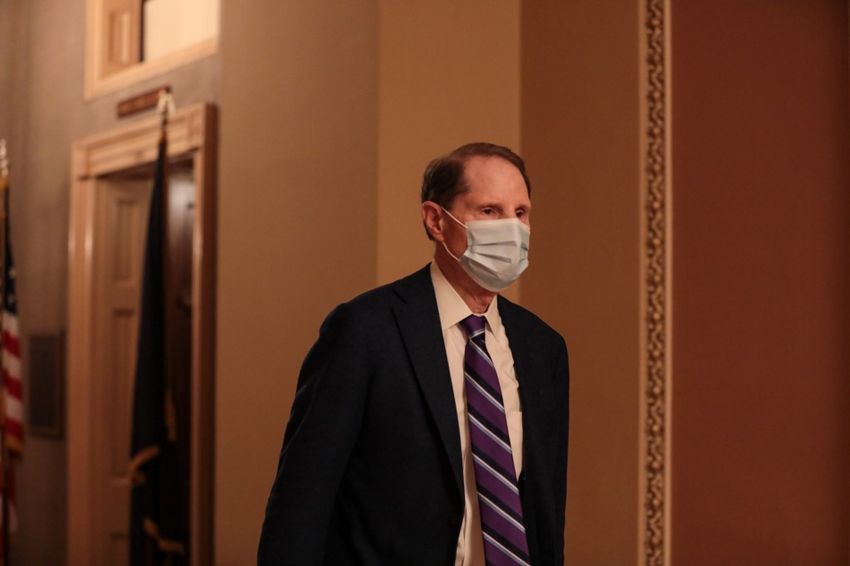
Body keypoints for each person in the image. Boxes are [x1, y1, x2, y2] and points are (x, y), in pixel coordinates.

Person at [258, 142, 569, 565]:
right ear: (436, 220)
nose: (512, 230)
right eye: (490, 211)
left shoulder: (543, 348)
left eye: (521, 213)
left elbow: (545, 507)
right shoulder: (365, 331)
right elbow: (301, 503)